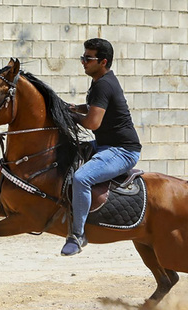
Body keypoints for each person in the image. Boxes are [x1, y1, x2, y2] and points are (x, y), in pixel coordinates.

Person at [61, 38, 142, 256]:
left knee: (81, 178)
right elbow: (92, 107)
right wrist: (72, 107)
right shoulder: (100, 81)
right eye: (83, 57)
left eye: (88, 58)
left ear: (103, 61)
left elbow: (92, 123)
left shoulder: (104, 84)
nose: (83, 62)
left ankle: (78, 235)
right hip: (105, 145)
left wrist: (68, 116)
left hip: (122, 151)